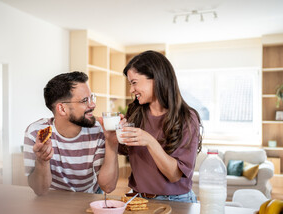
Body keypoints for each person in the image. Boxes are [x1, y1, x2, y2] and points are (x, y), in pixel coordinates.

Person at [118, 50, 202, 203]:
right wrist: (115, 133)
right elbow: (124, 150)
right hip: (138, 198)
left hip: (176, 201)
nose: (131, 90)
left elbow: (174, 175)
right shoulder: (135, 112)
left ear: (156, 78)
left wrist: (149, 141)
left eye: (134, 82)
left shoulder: (187, 118)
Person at [23, 71, 119, 196]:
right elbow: (40, 190)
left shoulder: (98, 130)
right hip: (52, 199)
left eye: (92, 98)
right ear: (62, 109)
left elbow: (108, 187)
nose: (93, 104)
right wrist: (42, 161)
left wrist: (112, 144)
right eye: (85, 100)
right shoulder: (36, 133)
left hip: (89, 197)